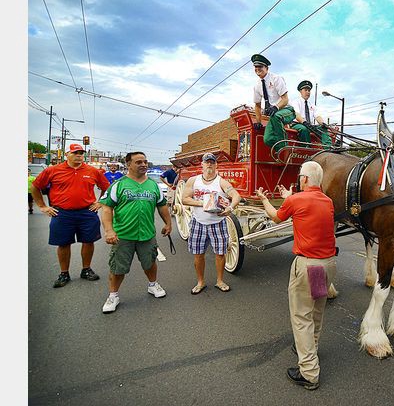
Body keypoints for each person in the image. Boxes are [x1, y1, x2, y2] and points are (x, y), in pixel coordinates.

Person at [255, 161, 336, 390]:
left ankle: (309, 373)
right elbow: (305, 211)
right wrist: (291, 196)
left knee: (301, 317)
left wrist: (264, 199)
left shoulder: (296, 200)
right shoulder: (327, 201)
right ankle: (312, 349)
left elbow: (275, 217)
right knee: (316, 312)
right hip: (326, 265)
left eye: (300, 176)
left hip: (308, 266)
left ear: (303, 179)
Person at [99, 152, 172, 313]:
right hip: (123, 235)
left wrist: (168, 223)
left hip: (146, 234)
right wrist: (109, 230)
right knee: (117, 267)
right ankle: (113, 295)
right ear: (128, 164)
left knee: (150, 262)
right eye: (138, 162)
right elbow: (107, 207)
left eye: (145, 161)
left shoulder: (153, 185)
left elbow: (162, 206)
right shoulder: (119, 185)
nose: (143, 164)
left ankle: (153, 285)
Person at [31, 143, 111, 288]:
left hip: (87, 212)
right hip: (62, 213)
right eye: (75, 153)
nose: (79, 155)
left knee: (88, 241)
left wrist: (100, 202)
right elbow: (35, 187)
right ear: (67, 154)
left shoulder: (92, 171)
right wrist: (43, 206)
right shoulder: (53, 170)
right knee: (63, 243)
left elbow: (107, 188)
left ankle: (86, 269)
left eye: (81, 153)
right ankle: (64, 273)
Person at [181, 152, 241, 294]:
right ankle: (200, 282)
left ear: (215, 165)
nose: (209, 164)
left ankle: (220, 281)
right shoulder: (193, 181)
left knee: (220, 254)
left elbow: (236, 195)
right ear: (201, 164)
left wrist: (230, 208)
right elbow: (184, 199)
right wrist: (204, 203)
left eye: (212, 162)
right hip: (198, 222)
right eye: (206, 162)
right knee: (198, 254)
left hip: (218, 223)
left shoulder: (221, 182)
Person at [251, 53, 296, 151]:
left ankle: (285, 149)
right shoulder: (257, 86)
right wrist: (258, 122)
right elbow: (257, 106)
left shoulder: (276, 79)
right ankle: (280, 153)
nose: (257, 69)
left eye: (260, 66)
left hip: (287, 110)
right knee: (267, 139)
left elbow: (285, 99)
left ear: (266, 68)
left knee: (276, 116)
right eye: (256, 67)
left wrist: (275, 107)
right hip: (274, 116)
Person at [291, 80, 332, 148]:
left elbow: (317, 116)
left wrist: (323, 123)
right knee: (304, 129)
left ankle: (328, 147)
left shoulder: (312, 105)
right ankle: (306, 148)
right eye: (306, 90)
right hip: (298, 124)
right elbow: (296, 114)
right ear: (300, 91)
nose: (308, 92)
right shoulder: (296, 102)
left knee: (323, 129)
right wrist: (304, 122)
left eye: (309, 90)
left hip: (309, 126)